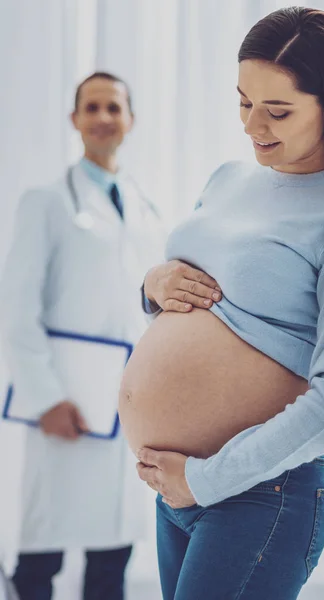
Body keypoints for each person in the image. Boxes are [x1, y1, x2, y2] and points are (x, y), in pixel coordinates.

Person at [117, 7, 324, 600]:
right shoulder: (226, 179)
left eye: (278, 110)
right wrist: (152, 285)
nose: (252, 124)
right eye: (243, 101)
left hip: (258, 497)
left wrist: (208, 478)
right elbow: (192, 295)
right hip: (180, 492)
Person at [0, 72, 165, 600]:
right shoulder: (45, 202)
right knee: (41, 551)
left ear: (130, 121)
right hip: (63, 401)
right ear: (74, 120)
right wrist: (45, 397)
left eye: (113, 108)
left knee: (113, 548)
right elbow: (17, 309)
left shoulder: (146, 210)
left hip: (128, 403)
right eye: (91, 107)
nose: (102, 117)